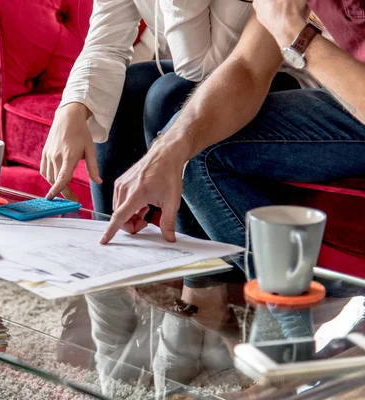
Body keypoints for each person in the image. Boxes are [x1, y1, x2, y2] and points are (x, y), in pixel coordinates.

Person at [97, 0, 365, 253]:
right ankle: (209, 288)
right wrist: (165, 148)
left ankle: (286, 287)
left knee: (196, 136)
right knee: (191, 135)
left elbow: (287, 31)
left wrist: (298, 37)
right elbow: (248, 65)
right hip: (342, 93)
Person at [41, 0, 255, 211]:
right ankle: (109, 232)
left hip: (260, 77)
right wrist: (70, 109)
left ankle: (180, 241)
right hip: (198, 73)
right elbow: (105, 44)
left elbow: (198, 71)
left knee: (168, 95)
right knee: (127, 88)